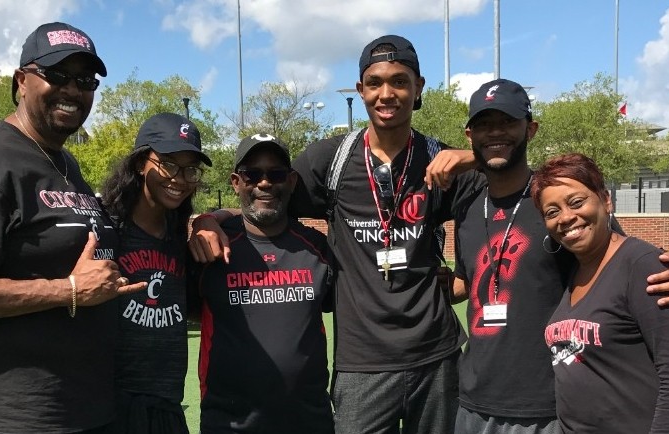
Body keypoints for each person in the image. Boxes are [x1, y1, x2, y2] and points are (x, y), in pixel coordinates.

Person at [189, 35, 478, 433]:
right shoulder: (330, 160)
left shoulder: (439, 160)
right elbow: (266, 199)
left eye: (399, 81)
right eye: (375, 83)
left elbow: (510, 190)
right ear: (361, 90)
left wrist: (473, 157)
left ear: (419, 87)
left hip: (435, 355)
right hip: (361, 363)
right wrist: (209, 219)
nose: (387, 93)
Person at [0, 22, 144, 433]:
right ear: (22, 81)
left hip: (85, 407)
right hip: (18, 418)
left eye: (85, 81)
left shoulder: (64, 162)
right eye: (57, 75)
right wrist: (69, 290)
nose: (72, 90)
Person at [451, 79, 669, 434]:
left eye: (507, 121)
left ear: (530, 129)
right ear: (470, 135)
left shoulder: (553, 198)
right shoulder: (467, 207)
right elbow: (466, 281)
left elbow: (615, 256)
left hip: (546, 407)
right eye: (484, 124)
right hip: (474, 403)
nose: (496, 132)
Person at [530, 153, 669, 433]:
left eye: (576, 202)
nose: (566, 217)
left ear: (606, 200)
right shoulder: (574, 269)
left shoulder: (642, 265)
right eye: (552, 212)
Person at [190, 133, 334, 433]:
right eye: (252, 174)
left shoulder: (316, 248)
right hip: (229, 424)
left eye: (276, 174)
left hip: (309, 421)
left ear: (291, 181)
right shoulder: (210, 248)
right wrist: (207, 219)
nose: (265, 183)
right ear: (236, 182)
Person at [100, 113, 211, 434]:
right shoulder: (106, 227)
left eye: (190, 169)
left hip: (167, 406)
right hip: (112, 407)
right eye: (168, 164)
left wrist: (211, 219)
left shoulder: (177, 234)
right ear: (140, 163)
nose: (180, 178)